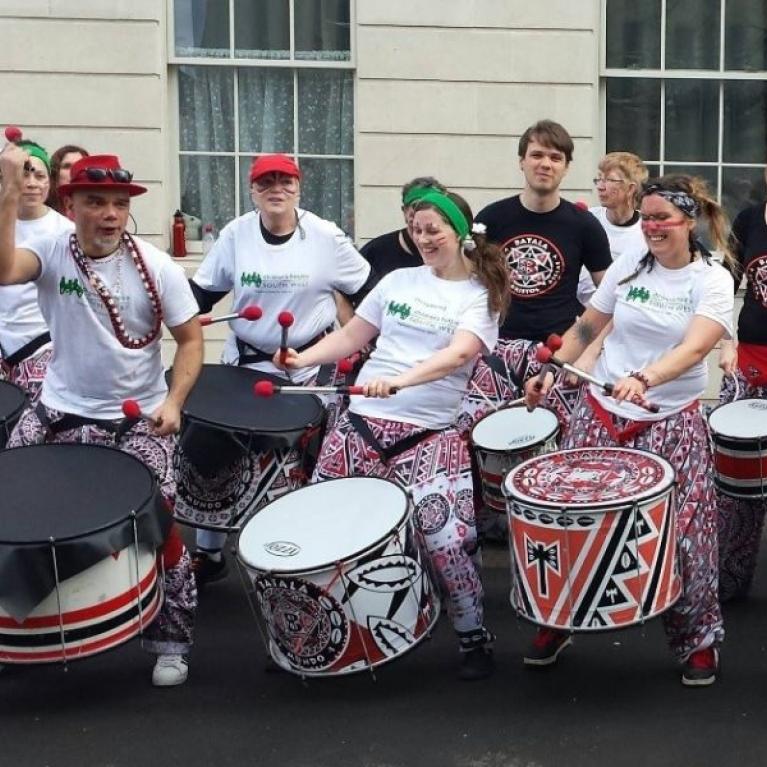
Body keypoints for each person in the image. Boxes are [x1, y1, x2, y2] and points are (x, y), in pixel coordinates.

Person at [277, 190, 510, 680]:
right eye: (416, 229)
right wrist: (303, 358)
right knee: (320, 532)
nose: (423, 238)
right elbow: (352, 337)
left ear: (460, 232)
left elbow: (460, 354)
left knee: (446, 539)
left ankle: (472, 637)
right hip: (359, 424)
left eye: (433, 229)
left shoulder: (479, 296)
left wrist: (402, 381)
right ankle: (307, 636)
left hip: (429, 434)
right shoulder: (399, 281)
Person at [0, 147, 204, 687]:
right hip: (58, 408)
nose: (110, 214)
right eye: (96, 202)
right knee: (9, 510)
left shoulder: (157, 266)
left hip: (136, 419)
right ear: (72, 203)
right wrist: (5, 188)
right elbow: (2, 270)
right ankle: (17, 629)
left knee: (161, 525)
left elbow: (189, 340)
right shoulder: (48, 249)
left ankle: (171, 642)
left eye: (118, 203)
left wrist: (174, 402)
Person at [524, 174, 735, 686]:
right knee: (572, 523)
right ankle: (560, 619)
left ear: (688, 221)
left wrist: (647, 378)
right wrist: (552, 370)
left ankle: (697, 641)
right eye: (647, 217)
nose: (653, 225)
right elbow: (588, 326)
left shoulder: (712, 278)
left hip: (669, 420)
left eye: (663, 216)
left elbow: (694, 347)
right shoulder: (629, 266)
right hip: (600, 413)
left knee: (685, 536)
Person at [185, 152, 372, 584]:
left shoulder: (326, 236)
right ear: (252, 190)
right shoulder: (235, 235)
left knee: (310, 461)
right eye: (265, 182)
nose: (276, 190)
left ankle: (306, 552)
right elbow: (199, 297)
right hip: (246, 363)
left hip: (311, 367)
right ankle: (208, 553)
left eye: (285, 182)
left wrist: (361, 343)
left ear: (298, 187)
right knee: (219, 450)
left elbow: (368, 293)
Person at [458, 120, 612, 541]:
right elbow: (467, 282)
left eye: (555, 157)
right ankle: (484, 521)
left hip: (561, 349)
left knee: (560, 443)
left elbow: (609, 297)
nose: (545, 164)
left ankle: (554, 528)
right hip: (496, 347)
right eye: (538, 155)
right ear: (522, 161)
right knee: (472, 432)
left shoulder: (584, 226)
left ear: (566, 167)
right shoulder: (492, 218)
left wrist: (590, 352)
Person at [716, 165, 767, 602]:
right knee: (739, 483)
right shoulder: (750, 219)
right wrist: (723, 338)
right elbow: (723, 283)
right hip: (750, 362)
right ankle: (730, 579)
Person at [0, 138, 73, 400]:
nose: (31, 183)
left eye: (39, 175)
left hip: (42, 346)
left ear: (49, 183)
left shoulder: (65, 231)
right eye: (23, 174)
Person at [577, 151, 648, 307]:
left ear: (630, 189)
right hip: (581, 315)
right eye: (599, 179)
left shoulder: (648, 229)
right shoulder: (587, 220)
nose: (600, 187)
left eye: (609, 180)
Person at [360, 176, 447, 283]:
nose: (424, 214)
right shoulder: (374, 253)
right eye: (417, 206)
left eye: (434, 207)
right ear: (404, 211)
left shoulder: (454, 254)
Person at [46, 144, 89, 217]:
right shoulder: (43, 212)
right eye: (67, 166)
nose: (74, 171)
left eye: (80, 166)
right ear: (55, 173)